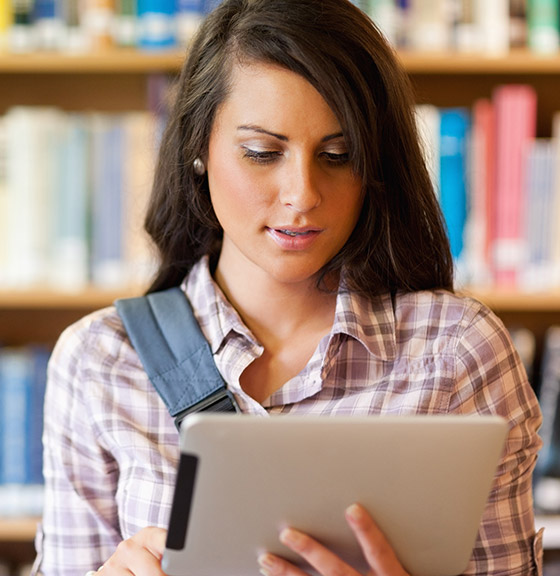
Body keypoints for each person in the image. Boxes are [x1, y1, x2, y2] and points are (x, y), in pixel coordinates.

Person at [31, 0, 544, 574]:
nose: (302, 194)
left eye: (337, 155)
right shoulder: (100, 360)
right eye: (261, 153)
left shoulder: (455, 352)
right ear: (198, 149)